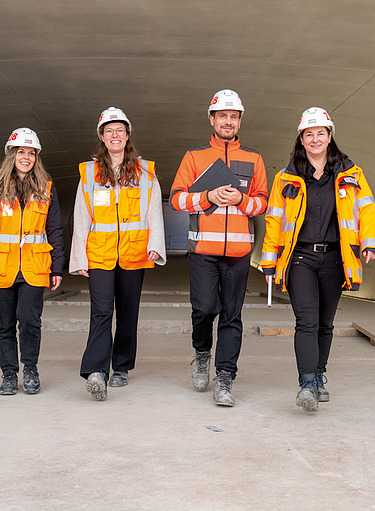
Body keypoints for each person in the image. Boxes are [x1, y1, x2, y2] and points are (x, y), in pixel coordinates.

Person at [260, 107, 375, 412]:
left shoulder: (352, 173)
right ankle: (307, 383)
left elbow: (366, 209)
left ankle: (320, 374)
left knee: (326, 324)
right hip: (300, 258)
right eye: (308, 134)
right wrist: (269, 262)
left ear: (329, 136)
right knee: (306, 321)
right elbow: (274, 220)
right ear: (301, 138)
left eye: (320, 133)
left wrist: (369, 243)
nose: (314, 139)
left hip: (336, 258)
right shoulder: (286, 176)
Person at [170, 89, 268, 406]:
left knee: (231, 316)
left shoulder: (254, 159)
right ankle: (202, 352)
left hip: (239, 254)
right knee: (204, 309)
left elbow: (263, 203)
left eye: (234, 117)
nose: (228, 121)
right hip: (202, 252)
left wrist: (242, 200)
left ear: (239, 121)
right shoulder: (194, 157)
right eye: (223, 116)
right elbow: (176, 199)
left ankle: (225, 377)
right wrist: (205, 198)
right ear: (212, 119)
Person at [69, 107, 166, 401]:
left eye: (119, 130)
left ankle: (121, 366)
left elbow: (153, 212)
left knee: (127, 313)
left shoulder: (144, 172)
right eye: (109, 130)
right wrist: (78, 258)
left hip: (134, 252)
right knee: (101, 312)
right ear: (102, 136)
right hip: (99, 254)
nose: (115, 135)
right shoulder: (89, 173)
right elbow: (81, 216)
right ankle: (97, 370)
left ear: (127, 136)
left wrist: (155, 245)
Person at [0, 128, 64, 395]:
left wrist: (57, 266)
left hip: (34, 267)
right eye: (21, 152)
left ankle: (30, 369)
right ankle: (9, 374)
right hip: (3, 267)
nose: (26, 157)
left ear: (37, 157)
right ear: (12, 155)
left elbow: (55, 228)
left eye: (31, 153)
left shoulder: (46, 188)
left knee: (29, 321)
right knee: (3, 325)